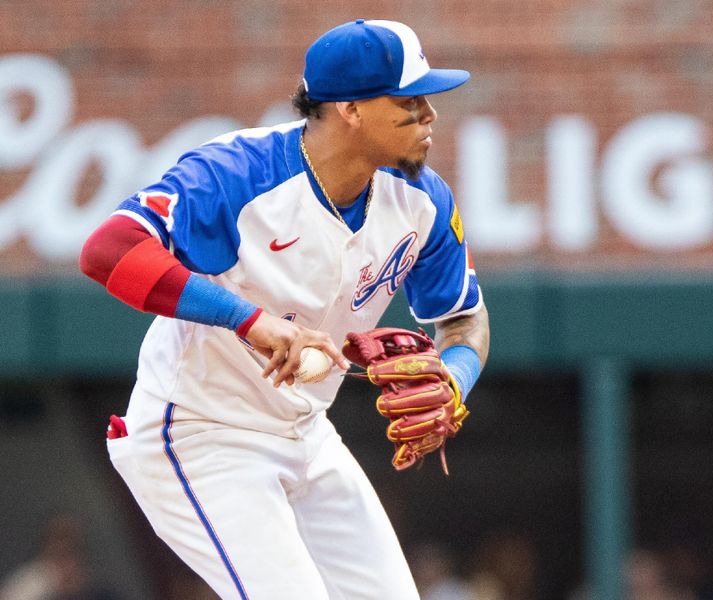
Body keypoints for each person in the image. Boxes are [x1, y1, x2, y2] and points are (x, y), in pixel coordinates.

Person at [79, 18, 490, 600]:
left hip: (306, 431)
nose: (430, 114)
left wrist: (456, 379)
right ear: (349, 108)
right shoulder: (237, 173)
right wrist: (251, 320)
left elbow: (463, 317)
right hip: (200, 430)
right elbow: (107, 250)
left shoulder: (421, 198)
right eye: (409, 100)